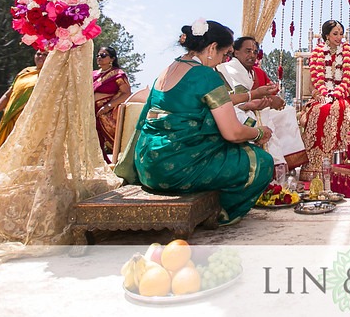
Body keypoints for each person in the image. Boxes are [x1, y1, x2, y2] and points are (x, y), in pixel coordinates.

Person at [133, 20, 274, 226]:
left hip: (147, 165)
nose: (223, 61)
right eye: (224, 54)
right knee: (261, 161)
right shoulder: (205, 75)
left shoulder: (168, 70)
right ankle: (218, 213)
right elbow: (233, 133)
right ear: (212, 48)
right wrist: (259, 133)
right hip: (178, 167)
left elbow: (209, 101)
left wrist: (251, 95)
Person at [218, 36, 308, 172]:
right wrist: (258, 102)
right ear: (235, 52)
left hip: (253, 107)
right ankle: (272, 165)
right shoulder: (228, 69)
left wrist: (269, 100)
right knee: (263, 118)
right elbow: (230, 98)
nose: (252, 55)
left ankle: (287, 162)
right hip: (235, 111)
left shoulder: (253, 72)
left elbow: (265, 92)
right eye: (248, 51)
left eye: (255, 52)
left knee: (287, 111)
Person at [298, 19, 350, 181]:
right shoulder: (317, 54)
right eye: (335, 34)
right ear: (327, 36)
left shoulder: (347, 55)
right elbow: (313, 84)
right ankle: (315, 166)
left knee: (340, 109)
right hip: (321, 96)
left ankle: (341, 166)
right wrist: (317, 94)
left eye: (341, 34)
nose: (339, 37)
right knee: (319, 110)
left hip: (342, 96)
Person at [0, 49, 48, 152]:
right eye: (38, 54)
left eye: (45, 54)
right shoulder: (25, 72)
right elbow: (8, 94)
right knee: (4, 149)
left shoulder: (51, 76)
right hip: (10, 117)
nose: (40, 57)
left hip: (30, 120)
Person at [93, 45, 132, 162]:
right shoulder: (93, 74)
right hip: (91, 112)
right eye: (98, 55)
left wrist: (108, 106)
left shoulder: (118, 74)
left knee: (117, 142)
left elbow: (126, 93)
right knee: (94, 142)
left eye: (103, 55)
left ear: (112, 58)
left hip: (107, 113)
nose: (99, 58)